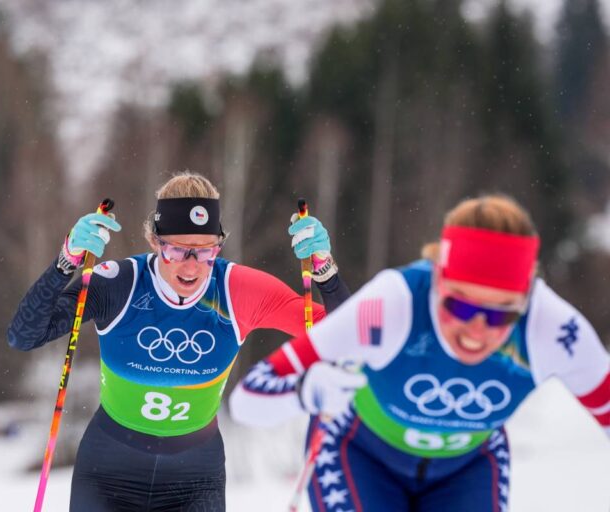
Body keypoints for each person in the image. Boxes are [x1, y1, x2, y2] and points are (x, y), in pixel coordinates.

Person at [229, 194, 610, 512]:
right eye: (460, 307)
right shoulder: (394, 302)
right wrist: (306, 390)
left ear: (525, 300)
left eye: (500, 314)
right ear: (437, 280)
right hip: (360, 454)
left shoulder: (554, 330)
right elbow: (248, 399)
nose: (477, 330)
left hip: (468, 467)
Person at [7, 172, 350, 511]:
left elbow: (346, 340)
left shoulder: (239, 291)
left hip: (195, 481)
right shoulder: (118, 284)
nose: (191, 266)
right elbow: (24, 335)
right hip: (108, 475)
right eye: (177, 250)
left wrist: (325, 272)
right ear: (155, 242)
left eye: (205, 252)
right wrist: (67, 260)